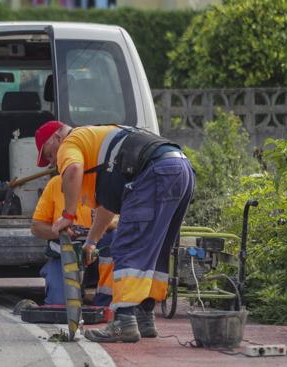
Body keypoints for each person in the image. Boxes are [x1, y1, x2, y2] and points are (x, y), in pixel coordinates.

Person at [34, 120, 195, 343]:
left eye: (49, 155)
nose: (53, 163)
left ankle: (124, 322)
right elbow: (107, 208)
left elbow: (72, 169)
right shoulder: (96, 146)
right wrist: (91, 242)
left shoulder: (69, 143)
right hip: (181, 169)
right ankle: (144, 317)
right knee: (156, 250)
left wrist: (68, 215)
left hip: (155, 172)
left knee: (127, 246)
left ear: (56, 138)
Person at [31, 175, 114, 306]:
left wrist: (96, 231)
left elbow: (121, 223)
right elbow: (36, 227)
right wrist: (59, 232)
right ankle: (56, 276)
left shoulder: (105, 182)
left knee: (115, 237)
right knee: (60, 306)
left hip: (97, 255)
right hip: (65, 256)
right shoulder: (55, 184)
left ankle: (105, 302)